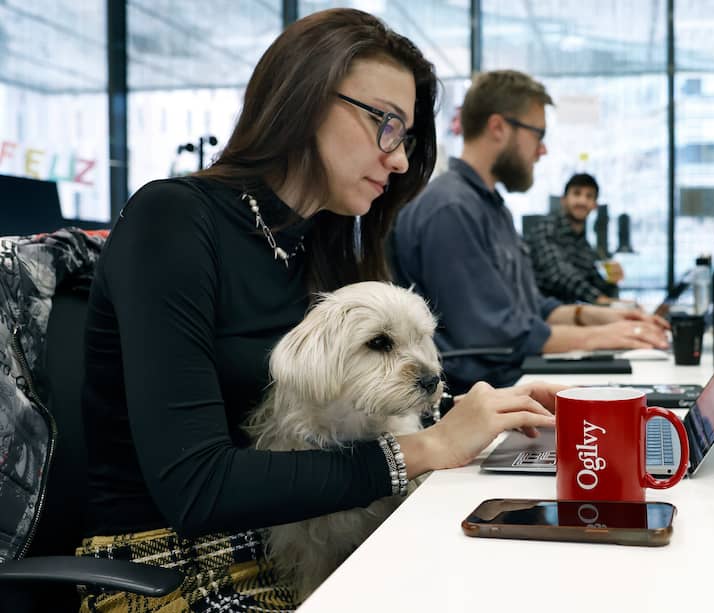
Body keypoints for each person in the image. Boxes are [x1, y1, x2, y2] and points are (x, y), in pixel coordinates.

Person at [77, 10, 559, 612]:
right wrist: (428, 447)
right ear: (301, 98)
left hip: (305, 538)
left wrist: (483, 413)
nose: (401, 159)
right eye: (386, 123)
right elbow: (195, 486)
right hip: (171, 566)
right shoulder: (173, 220)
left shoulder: (322, 245)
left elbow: (350, 408)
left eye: (406, 136)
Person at [393, 70, 669, 395]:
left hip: (515, 379)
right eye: (538, 134)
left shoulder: (494, 209)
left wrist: (605, 318)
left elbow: (530, 309)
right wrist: (599, 338)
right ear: (498, 127)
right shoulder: (451, 210)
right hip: (483, 393)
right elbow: (495, 333)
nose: (542, 151)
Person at [526, 172, 624, 305]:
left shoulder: (584, 246)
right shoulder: (547, 228)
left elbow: (594, 283)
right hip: (538, 315)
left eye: (589, 196)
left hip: (568, 315)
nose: (582, 201)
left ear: (594, 205)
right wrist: (598, 299)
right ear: (564, 200)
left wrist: (612, 282)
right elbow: (558, 274)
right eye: (577, 193)